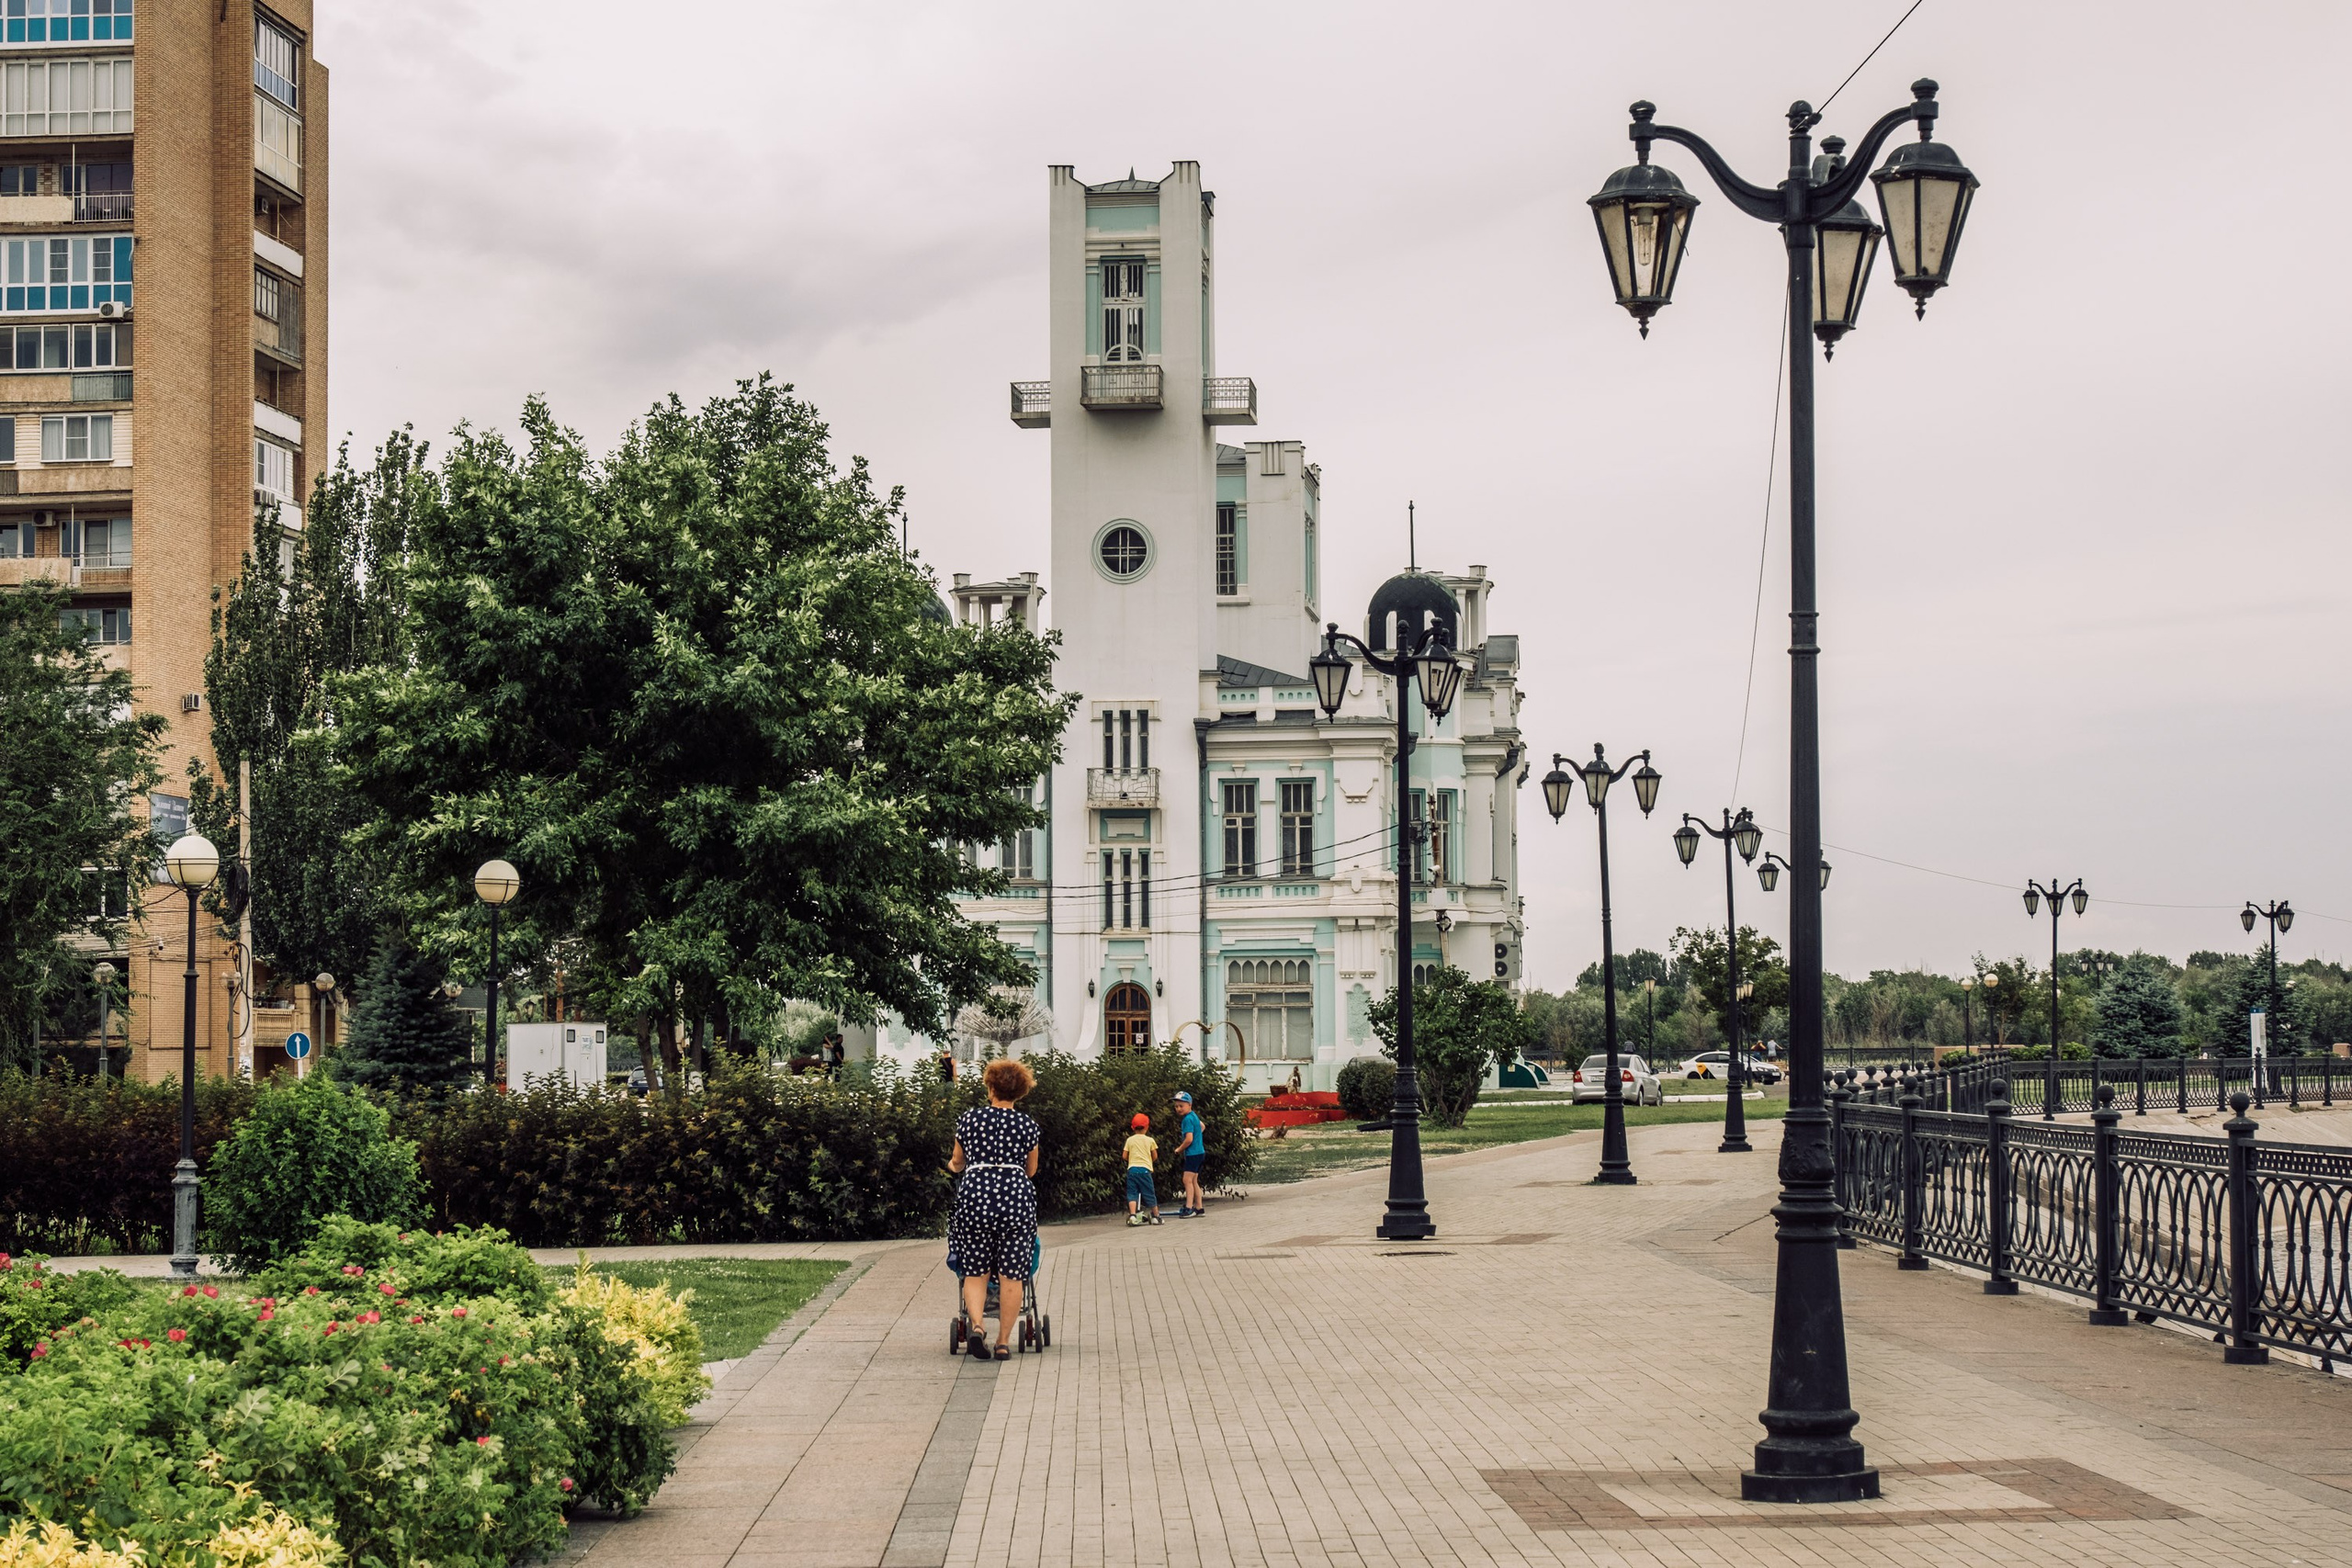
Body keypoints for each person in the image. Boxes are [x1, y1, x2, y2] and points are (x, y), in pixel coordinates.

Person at [947, 1057, 1040, 1359]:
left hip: (975, 1197)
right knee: (1013, 1275)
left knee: (974, 1271)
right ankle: (1002, 1343)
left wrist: (954, 1165)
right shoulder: (1027, 1124)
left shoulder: (970, 1119)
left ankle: (977, 1327)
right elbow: (1031, 1170)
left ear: (991, 1088)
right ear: (1021, 1091)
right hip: (1015, 1199)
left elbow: (958, 1161)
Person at [1123, 1112, 1161, 1225]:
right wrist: (1149, 1162)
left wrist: (1132, 1161)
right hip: (1145, 1171)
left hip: (1132, 1170)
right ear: (1147, 1127)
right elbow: (1155, 1155)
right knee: (1149, 1193)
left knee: (1132, 1193)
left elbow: (1124, 1156)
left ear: (1132, 1127)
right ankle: (1156, 1216)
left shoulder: (1130, 1140)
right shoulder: (1150, 1140)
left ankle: (1133, 1215)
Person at [1172, 1089, 1206, 1216]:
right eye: (1176, 1106)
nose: (1179, 1109)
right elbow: (1202, 1126)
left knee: (1186, 1180)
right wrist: (1198, 1136)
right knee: (1194, 1181)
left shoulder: (1186, 1120)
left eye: (1181, 1106)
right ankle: (1199, 1207)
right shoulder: (1194, 1116)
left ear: (1189, 1105)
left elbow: (1189, 1139)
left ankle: (1189, 1208)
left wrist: (1179, 1149)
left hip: (1192, 1154)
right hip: (1200, 1152)